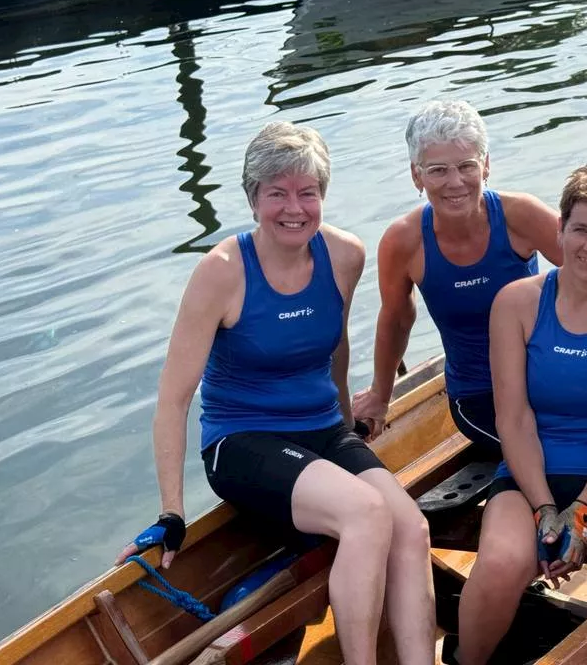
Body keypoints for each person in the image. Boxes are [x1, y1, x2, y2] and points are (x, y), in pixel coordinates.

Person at [115, 122, 434, 665]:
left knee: (411, 526)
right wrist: (173, 511)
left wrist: (348, 424)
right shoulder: (221, 273)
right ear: (253, 198)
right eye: (277, 193)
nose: (294, 208)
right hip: (242, 440)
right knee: (365, 513)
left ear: (323, 197)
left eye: (307, 193)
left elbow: (335, 348)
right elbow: (173, 399)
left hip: (322, 431)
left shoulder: (344, 256)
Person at [452, 163, 587, 665]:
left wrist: (584, 509)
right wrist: (546, 508)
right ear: (561, 229)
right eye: (581, 230)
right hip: (532, 469)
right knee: (503, 558)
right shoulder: (517, 303)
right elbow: (514, 420)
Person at [352, 100, 564, 452]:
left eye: (466, 166)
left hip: (551, 376)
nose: (455, 183)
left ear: (486, 166)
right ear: (416, 175)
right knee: (554, 452)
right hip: (478, 396)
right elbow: (396, 320)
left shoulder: (521, 214)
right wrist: (379, 395)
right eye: (437, 170)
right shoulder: (402, 241)